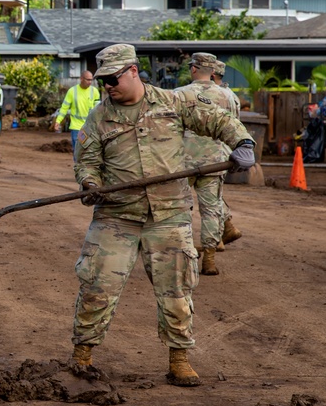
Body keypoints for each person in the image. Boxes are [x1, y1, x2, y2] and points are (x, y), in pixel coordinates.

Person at [70, 43, 255, 387]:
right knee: (97, 286)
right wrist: (90, 182)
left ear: (132, 71)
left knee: (177, 293)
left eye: (112, 79)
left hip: (168, 217)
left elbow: (216, 120)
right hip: (116, 216)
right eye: (102, 81)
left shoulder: (173, 103)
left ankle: (179, 360)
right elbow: (86, 161)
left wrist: (242, 143)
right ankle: (82, 356)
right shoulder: (99, 117)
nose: (107, 87)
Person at [174, 53, 240, 275]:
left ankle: (183, 254)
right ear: (212, 72)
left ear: (193, 69)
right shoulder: (227, 96)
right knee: (211, 209)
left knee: (181, 208)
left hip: (184, 161)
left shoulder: (179, 94)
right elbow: (234, 126)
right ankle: (209, 260)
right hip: (215, 161)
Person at [211, 59, 243, 248]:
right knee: (214, 194)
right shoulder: (231, 95)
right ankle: (226, 228)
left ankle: (218, 237)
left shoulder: (211, 95)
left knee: (211, 197)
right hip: (224, 151)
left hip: (209, 151)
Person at [54, 70, 100, 156]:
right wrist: (58, 121)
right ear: (81, 79)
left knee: (90, 151)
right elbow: (64, 108)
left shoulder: (95, 92)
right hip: (76, 127)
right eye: (88, 80)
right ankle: (78, 168)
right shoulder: (72, 91)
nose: (90, 82)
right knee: (78, 151)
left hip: (90, 127)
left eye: (91, 80)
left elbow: (98, 110)